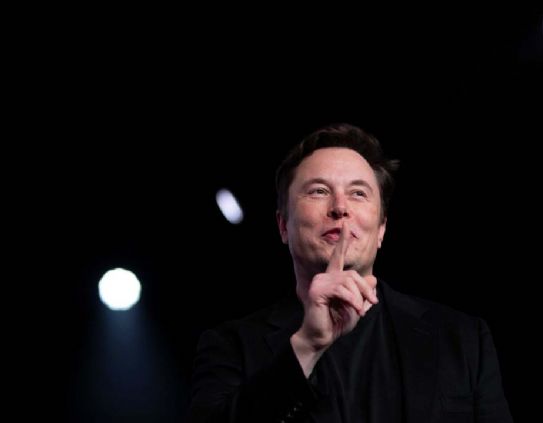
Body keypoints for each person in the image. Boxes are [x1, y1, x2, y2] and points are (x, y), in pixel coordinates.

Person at [188, 123, 513, 422]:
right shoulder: (230, 345)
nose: (340, 207)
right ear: (283, 225)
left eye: (358, 193)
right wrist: (307, 345)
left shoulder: (462, 338)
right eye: (318, 191)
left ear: (381, 229)